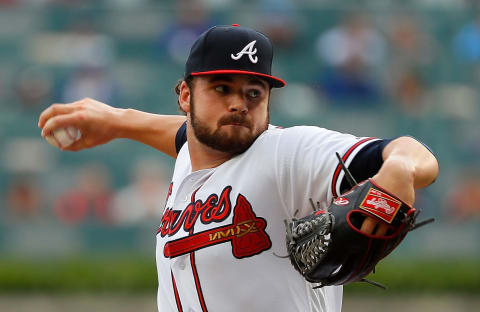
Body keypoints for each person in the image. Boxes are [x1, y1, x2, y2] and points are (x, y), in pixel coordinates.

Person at [38, 25, 439, 312]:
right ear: (184, 94)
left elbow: (409, 153)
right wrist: (117, 121)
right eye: (221, 88)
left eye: (253, 92)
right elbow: (186, 135)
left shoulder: (286, 153)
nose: (238, 104)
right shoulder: (192, 155)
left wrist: (401, 166)